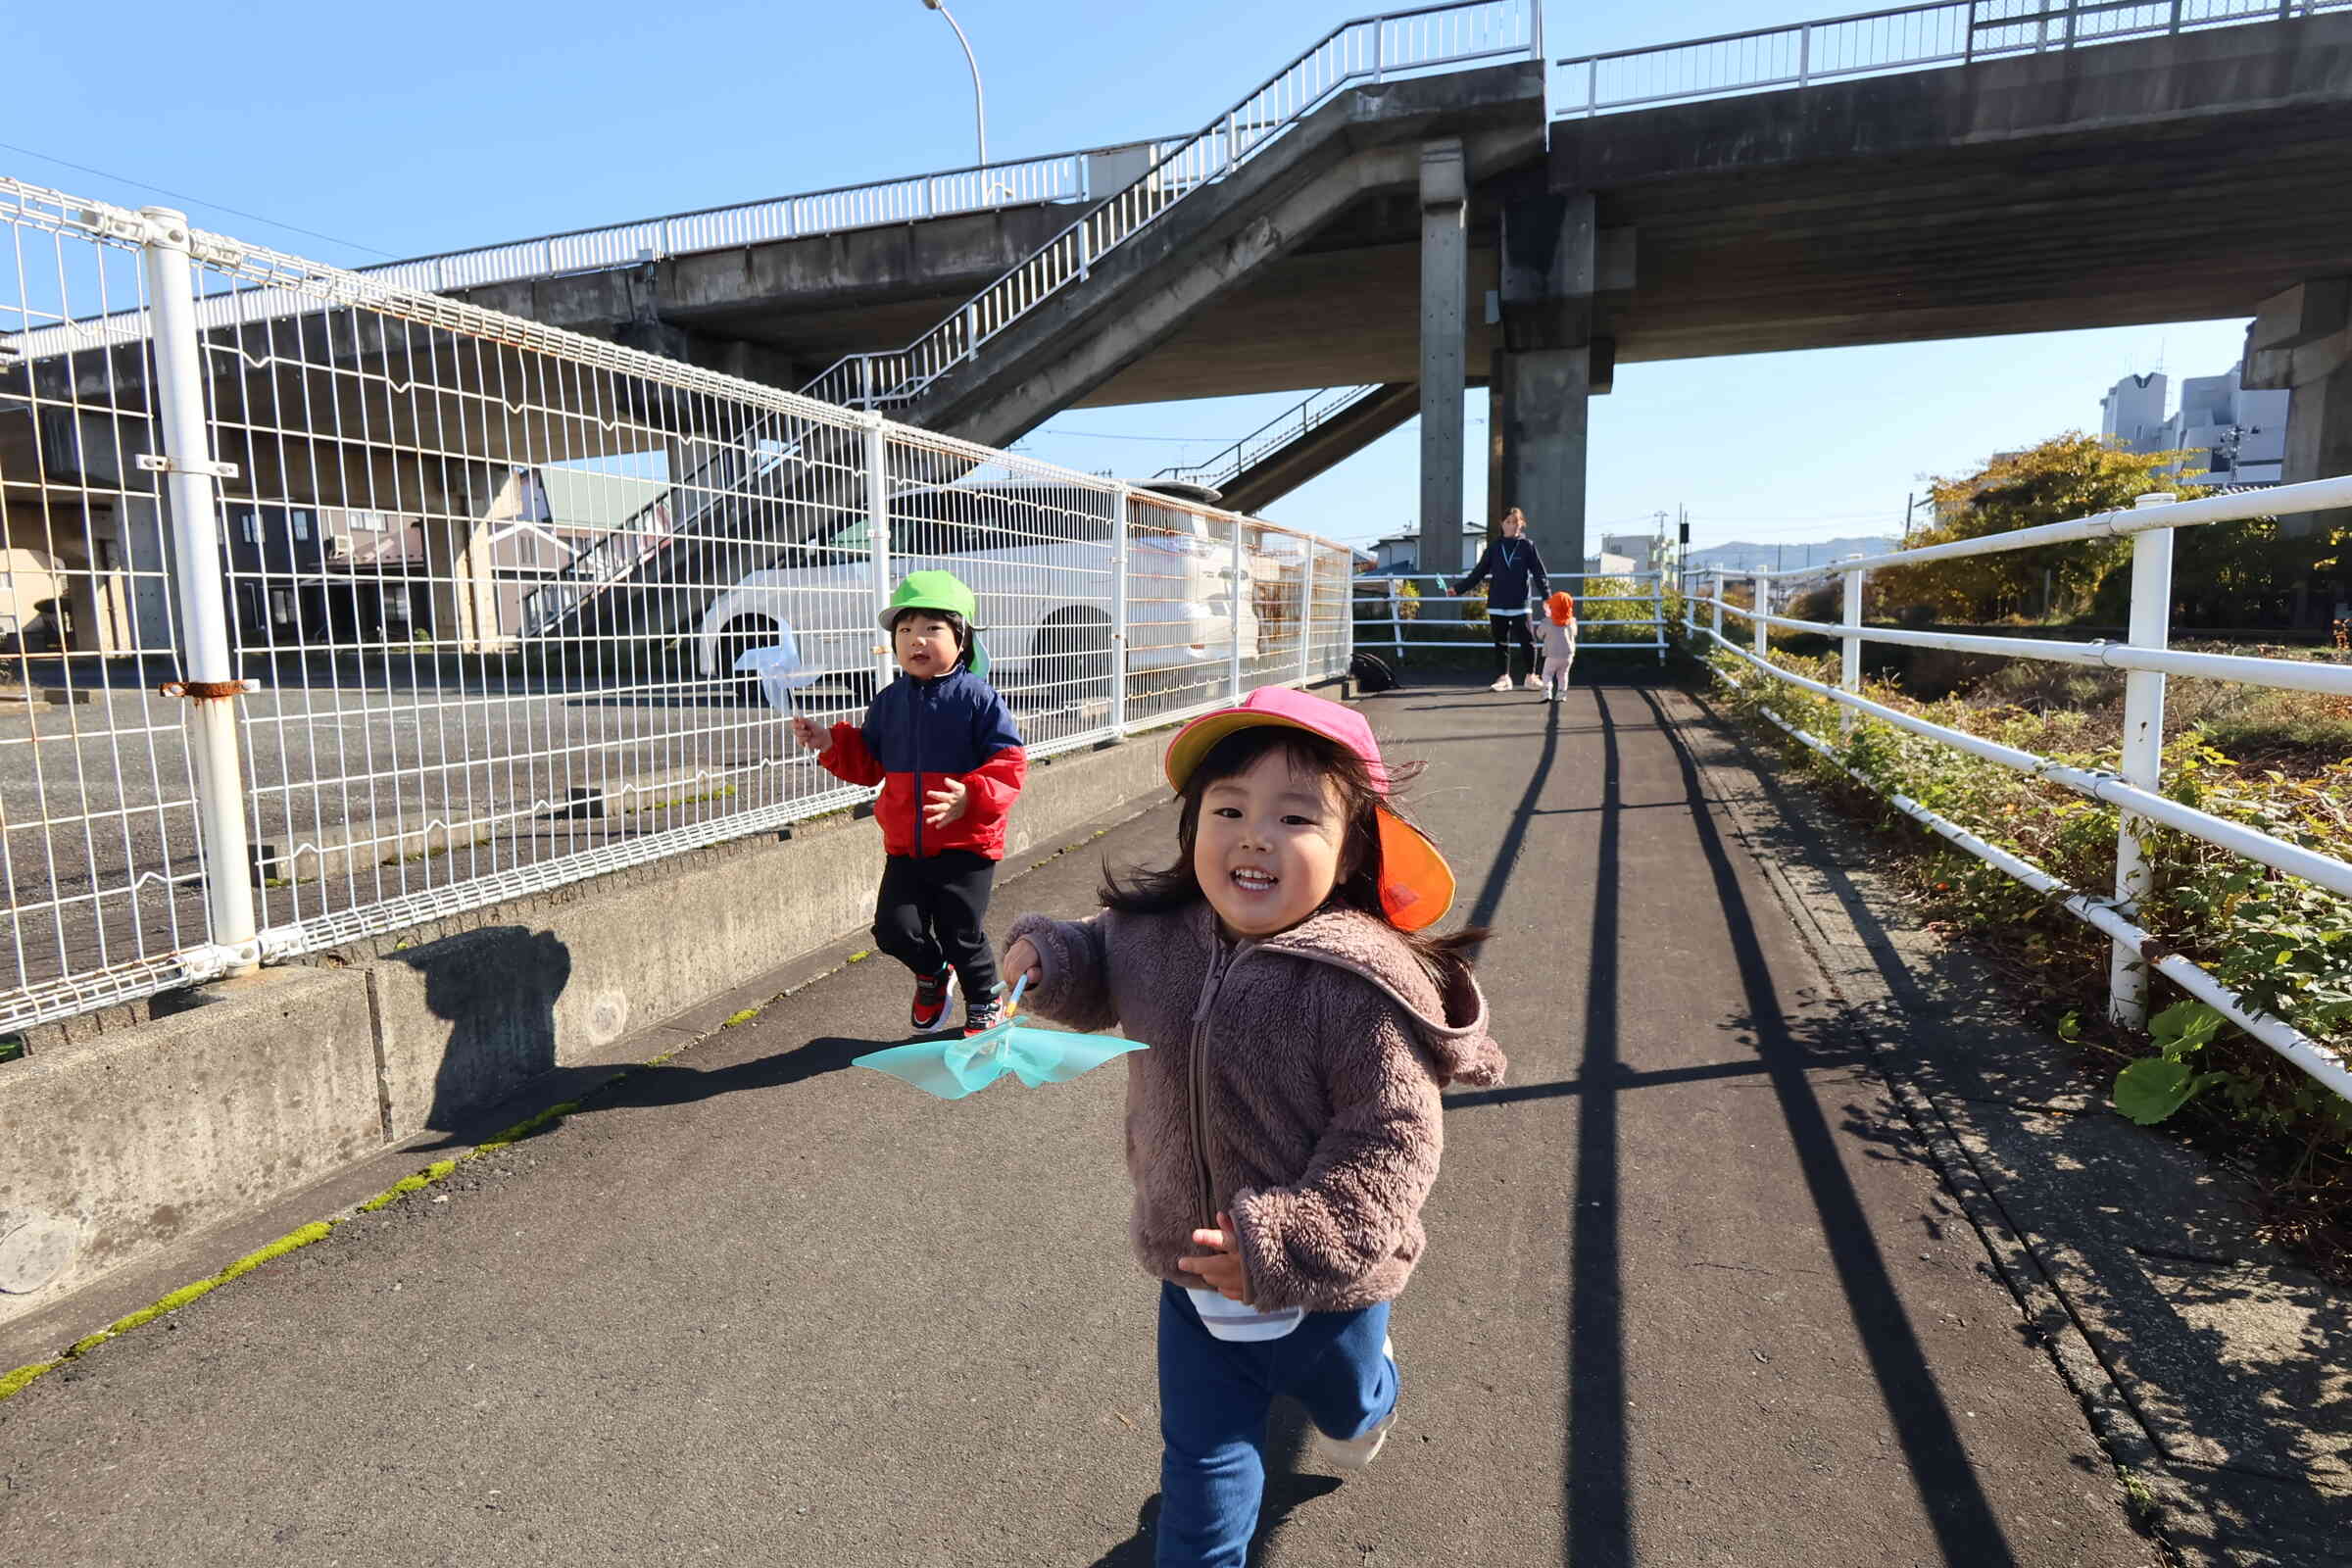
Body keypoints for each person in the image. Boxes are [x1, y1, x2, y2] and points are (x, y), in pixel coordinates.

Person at [1000, 686, 1504, 1568]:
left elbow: (1390, 1139)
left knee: (1346, 1408)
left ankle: (1374, 1394)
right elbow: (1099, 949)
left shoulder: (1358, 984)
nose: (1254, 836)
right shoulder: (1158, 936)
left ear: (1353, 851)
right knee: (1201, 1471)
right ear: (1194, 825)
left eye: (1295, 817)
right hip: (1193, 1270)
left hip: (1327, 1288)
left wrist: (1288, 1241)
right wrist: (1049, 956)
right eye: (1228, 809)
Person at [791, 570, 1026, 1036]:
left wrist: (971, 794)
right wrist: (829, 742)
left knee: (960, 933)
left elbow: (1010, 763)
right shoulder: (889, 702)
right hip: (906, 846)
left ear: (962, 639)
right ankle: (933, 973)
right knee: (893, 931)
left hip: (966, 846)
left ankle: (985, 1000)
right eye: (905, 630)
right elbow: (869, 764)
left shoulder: (978, 700)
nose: (916, 639)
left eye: (932, 628)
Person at [1450, 508, 1549, 694]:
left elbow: (1539, 573)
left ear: (1522, 524)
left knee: (1528, 641)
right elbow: (1478, 573)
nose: (1512, 525)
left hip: (1521, 603)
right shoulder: (1494, 547)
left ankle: (1531, 677)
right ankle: (1504, 678)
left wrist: (1547, 597)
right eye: (1508, 521)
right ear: (1502, 524)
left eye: (1515, 522)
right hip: (1497, 602)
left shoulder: (1527, 546)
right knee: (1501, 642)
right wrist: (1458, 589)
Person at [1539, 589, 1578, 703]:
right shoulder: (1572, 621)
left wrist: (1547, 616)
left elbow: (1539, 634)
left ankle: (1547, 693)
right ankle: (1561, 694)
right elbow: (1574, 633)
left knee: (1547, 673)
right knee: (1563, 674)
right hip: (1568, 655)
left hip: (1552, 654)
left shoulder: (1547, 622)